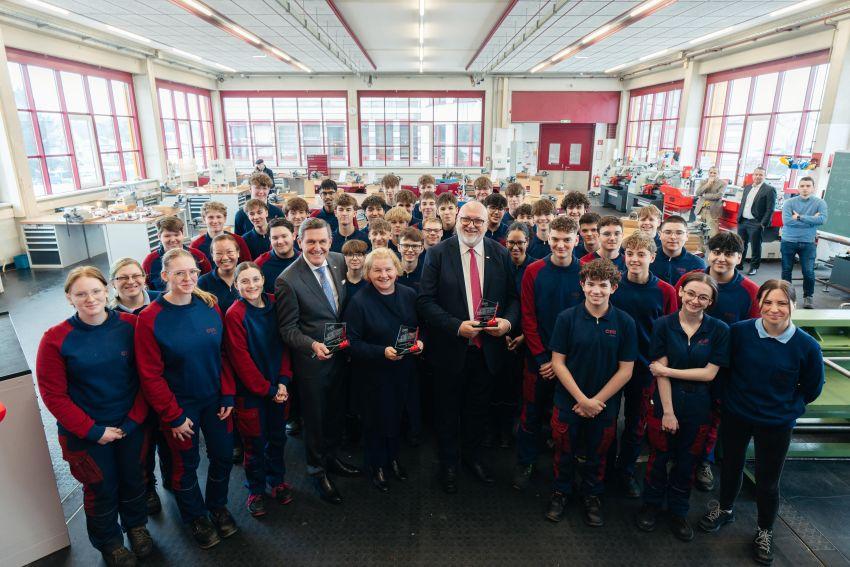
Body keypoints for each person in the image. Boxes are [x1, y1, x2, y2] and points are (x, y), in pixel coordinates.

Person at [699, 280, 824, 566]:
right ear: (759, 303)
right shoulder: (740, 333)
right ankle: (725, 509)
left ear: (793, 306)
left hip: (776, 422)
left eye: (782, 303)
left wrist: (789, 407)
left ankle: (765, 530)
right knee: (730, 466)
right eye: (768, 302)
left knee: (768, 482)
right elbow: (724, 370)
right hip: (737, 414)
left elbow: (812, 387)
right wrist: (727, 400)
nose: (774, 309)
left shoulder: (806, 346)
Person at [37, 267, 153, 567]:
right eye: (81, 294)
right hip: (85, 434)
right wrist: (93, 431)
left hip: (131, 425)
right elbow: (54, 396)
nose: (90, 298)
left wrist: (131, 422)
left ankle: (136, 527)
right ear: (69, 298)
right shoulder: (55, 340)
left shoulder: (131, 325)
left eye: (96, 291)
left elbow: (147, 378)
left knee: (134, 480)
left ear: (107, 291)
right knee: (101, 489)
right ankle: (110, 543)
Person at [135, 248, 237, 549]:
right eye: (179, 273)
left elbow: (222, 354)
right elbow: (150, 375)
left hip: (215, 399)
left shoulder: (209, 305)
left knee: (222, 456)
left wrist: (228, 393)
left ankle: (217, 506)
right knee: (186, 464)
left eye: (192, 271)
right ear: (165, 276)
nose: (188, 278)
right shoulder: (150, 318)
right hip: (180, 407)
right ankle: (195, 516)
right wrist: (173, 415)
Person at [417, 201, 520, 493]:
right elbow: (424, 301)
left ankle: (473, 458)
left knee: (478, 410)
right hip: (450, 349)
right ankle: (448, 463)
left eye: (478, 220)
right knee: (447, 411)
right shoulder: (437, 253)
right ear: (457, 219)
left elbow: (514, 299)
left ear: (487, 224)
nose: (471, 225)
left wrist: (508, 324)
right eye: (466, 219)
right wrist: (455, 326)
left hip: (487, 350)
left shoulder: (500, 253)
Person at [636, 272, 729, 542]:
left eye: (703, 297)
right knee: (659, 457)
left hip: (700, 406)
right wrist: (667, 411)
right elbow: (659, 373)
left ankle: (678, 511)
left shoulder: (719, 330)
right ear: (680, 293)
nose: (695, 300)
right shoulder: (663, 325)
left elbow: (709, 374)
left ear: (710, 301)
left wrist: (668, 369)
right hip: (666, 402)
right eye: (690, 294)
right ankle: (650, 505)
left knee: (687, 463)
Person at [275, 218, 361, 505]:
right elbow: (287, 329)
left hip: (341, 356)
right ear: (300, 242)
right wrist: (313, 345)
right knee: (315, 419)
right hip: (312, 362)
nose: (317, 247)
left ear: (330, 241)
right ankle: (317, 470)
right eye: (310, 241)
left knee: (336, 411)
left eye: (322, 241)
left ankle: (333, 456)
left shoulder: (338, 261)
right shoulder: (288, 279)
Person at [546, 259, 636, 526]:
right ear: (582, 285)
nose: (596, 290)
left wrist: (595, 401)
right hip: (568, 401)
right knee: (564, 450)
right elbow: (558, 363)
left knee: (598, 454)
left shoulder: (625, 322)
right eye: (591, 285)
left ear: (614, 288)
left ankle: (592, 495)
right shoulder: (566, 318)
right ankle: (561, 491)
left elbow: (626, 370)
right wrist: (581, 399)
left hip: (604, 405)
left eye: (603, 285)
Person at [675, 231, 760, 492]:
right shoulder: (689, 281)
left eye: (729, 254)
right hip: (685, 362)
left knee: (713, 418)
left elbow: (753, 333)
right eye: (717, 252)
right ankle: (674, 457)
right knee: (677, 412)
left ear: (739, 257)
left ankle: (704, 461)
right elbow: (673, 320)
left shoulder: (749, 291)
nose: (721, 258)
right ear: (708, 253)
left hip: (723, 369)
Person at [344, 248, 424, 492]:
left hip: (404, 369)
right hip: (373, 374)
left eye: (388, 269)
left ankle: (392, 459)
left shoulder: (410, 294)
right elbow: (352, 343)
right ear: (368, 273)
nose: (384, 274)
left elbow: (421, 325)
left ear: (397, 270)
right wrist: (382, 352)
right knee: (375, 421)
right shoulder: (359, 301)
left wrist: (421, 343)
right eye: (377, 270)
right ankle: (376, 465)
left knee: (397, 417)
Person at [513, 217, 584, 491]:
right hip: (538, 360)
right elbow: (528, 318)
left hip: (572, 363)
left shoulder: (586, 272)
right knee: (531, 413)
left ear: (576, 240)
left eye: (567, 239)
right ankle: (526, 461)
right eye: (555, 239)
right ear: (548, 239)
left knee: (567, 418)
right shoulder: (533, 271)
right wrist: (543, 358)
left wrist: (562, 362)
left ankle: (563, 468)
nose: (561, 244)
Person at [610, 232, 677, 498]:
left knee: (636, 423)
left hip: (645, 370)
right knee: (607, 420)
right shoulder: (613, 285)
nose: (634, 259)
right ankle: (602, 469)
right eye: (630, 254)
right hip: (612, 367)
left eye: (641, 254)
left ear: (652, 257)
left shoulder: (665, 291)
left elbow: (671, 331)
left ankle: (626, 471)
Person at [224, 262, 293, 518]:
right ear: (236, 285)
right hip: (252, 394)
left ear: (263, 280)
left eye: (255, 279)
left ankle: (277, 482)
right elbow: (240, 360)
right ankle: (255, 490)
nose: (251, 286)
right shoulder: (235, 314)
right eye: (244, 282)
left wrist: (284, 381)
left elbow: (285, 343)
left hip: (279, 389)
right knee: (254, 443)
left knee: (278, 438)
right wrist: (268, 389)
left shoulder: (276, 304)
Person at [109, 258, 165, 515]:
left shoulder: (163, 301)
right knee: (142, 447)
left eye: (135, 276)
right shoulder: (107, 315)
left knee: (170, 439)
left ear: (145, 277)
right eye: (123, 278)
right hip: (131, 391)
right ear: (113, 283)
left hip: (166, 385)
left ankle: (174, 479)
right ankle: (148, 487)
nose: (130, 282)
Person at [781, 176, 827, 309]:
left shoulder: (820, 203)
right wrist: (811, 220)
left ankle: (808, 297)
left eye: (808, 186)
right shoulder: (789, 202)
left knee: (808, 272)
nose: (805, 188)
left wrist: (800, 217)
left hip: (808, 242)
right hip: (788, 240)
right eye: (802, 186)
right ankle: (786, 296)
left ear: (813, 188)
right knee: (786, 270)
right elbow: (787, 222)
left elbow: (822, 220)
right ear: (798, 188)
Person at [142, 216, 211, 292]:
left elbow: (208, 280)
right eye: (167, 236)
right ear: (159, 236)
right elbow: (148, 287)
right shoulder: (150, 261)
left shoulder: (198, 256)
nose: (173, 240)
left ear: (182, 234)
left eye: (176, 235)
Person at [736, 166, 777, 276]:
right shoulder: (748, 187)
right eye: (756, 174)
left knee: (755, 246)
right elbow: (743, 204)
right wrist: (739, 218)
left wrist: (762, 224)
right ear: (753, 175)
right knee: (740, 245)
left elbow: (770, 209)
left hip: (756, 223)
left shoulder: (769, 190)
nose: (758, 176)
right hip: (743, 221)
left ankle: (754, 267)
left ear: (764, 176)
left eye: (760, 175)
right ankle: (739, 264)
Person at [190, 201, 251, 266]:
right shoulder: (196, 246)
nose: (215, 221)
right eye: (210, 217)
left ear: (225, 218)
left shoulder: (238, 240)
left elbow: (247, 265)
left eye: (219, 217)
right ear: (204, 220)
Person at [650, 215, 706, 285]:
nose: (673, 237)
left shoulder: (697, 264)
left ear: (687, 236)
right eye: (668, 232)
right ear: (660, 235)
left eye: (679, 233)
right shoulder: (648, 258)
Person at [198, 234, 241, 315]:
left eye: (229, 252)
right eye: (218, 253)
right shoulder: (203, 283)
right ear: (212, 256)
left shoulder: (249, 278)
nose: (224, 257)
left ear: (238, 252)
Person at [255, 218, 299, 294]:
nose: (280, 242)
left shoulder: (304, 259)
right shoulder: (260, 264)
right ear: (270, 239)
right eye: (275, 238)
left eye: (284, 236)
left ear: (293, 236)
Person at [694, 167, 726, 237]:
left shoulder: (722, 183)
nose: (712, 174)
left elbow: (718, 196)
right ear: (708, 173)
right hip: (701, 210)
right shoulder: (703, 181)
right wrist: (707, 184)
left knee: (712, 234)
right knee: (700, 232)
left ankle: (711, 248)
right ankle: (701, 248)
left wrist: (705, 195)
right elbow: (698, 193)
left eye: (715, 173)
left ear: (718, 174)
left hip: (712, 211)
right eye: (711, 172)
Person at [506, 222, 535, 294]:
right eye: (511, 242)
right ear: (506, 242)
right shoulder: (501, 267)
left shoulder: (535, 268)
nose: (515, 247)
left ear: (527, 242)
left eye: (520, 243)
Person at [397, 227, 424, 292]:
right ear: (398, 247)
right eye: (406, 245)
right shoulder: (391, 271)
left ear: (422, 248)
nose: (410, 250)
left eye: (415, 246)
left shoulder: (427, 272)